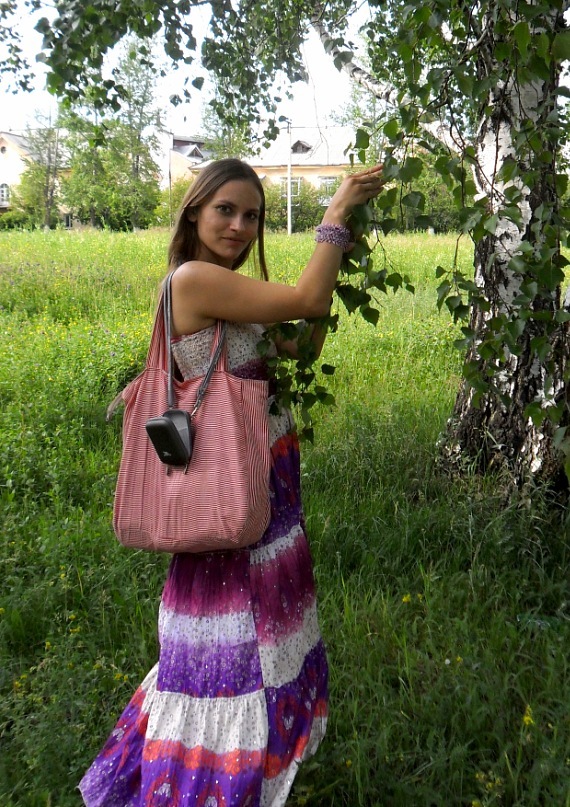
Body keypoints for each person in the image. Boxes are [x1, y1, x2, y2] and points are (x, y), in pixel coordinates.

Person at [79, 158, 385, 806]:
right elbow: (305, 300)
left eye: (251, 215)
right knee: (233, 640)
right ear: (194, 211)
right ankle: (206, 777)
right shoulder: (193, 281)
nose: (240, 225)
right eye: (226, 210)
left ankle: (248, 762)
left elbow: (303, 345)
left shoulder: (231, 287)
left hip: (262, 484)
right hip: (229, 489)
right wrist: (334, 216)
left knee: (258, 632)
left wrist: (335, 270)